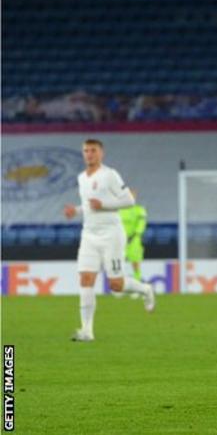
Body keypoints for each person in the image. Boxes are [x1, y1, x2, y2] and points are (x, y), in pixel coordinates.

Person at [64, 139, 156, 342]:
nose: (89, 154)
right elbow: (89, 206)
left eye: (93, 150)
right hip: (89, 234)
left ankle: (145, 289)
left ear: (101, 153)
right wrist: (76, 211)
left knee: (116, 284)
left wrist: (104, 204)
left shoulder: (110, 175)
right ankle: (87, 330)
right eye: (86, 151)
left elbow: (128, 200)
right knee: (85, 279)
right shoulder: (82, 178)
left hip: (111, 235)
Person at [119, 189, 147, 281]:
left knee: (135, 262)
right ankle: (119, 286)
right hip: (120, 239)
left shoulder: (139, 210)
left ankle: (137, 283)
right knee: (118, 263)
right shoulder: (118, 210)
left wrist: (135, 235)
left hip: (134, 239)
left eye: (132, 196)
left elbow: (141, 223)